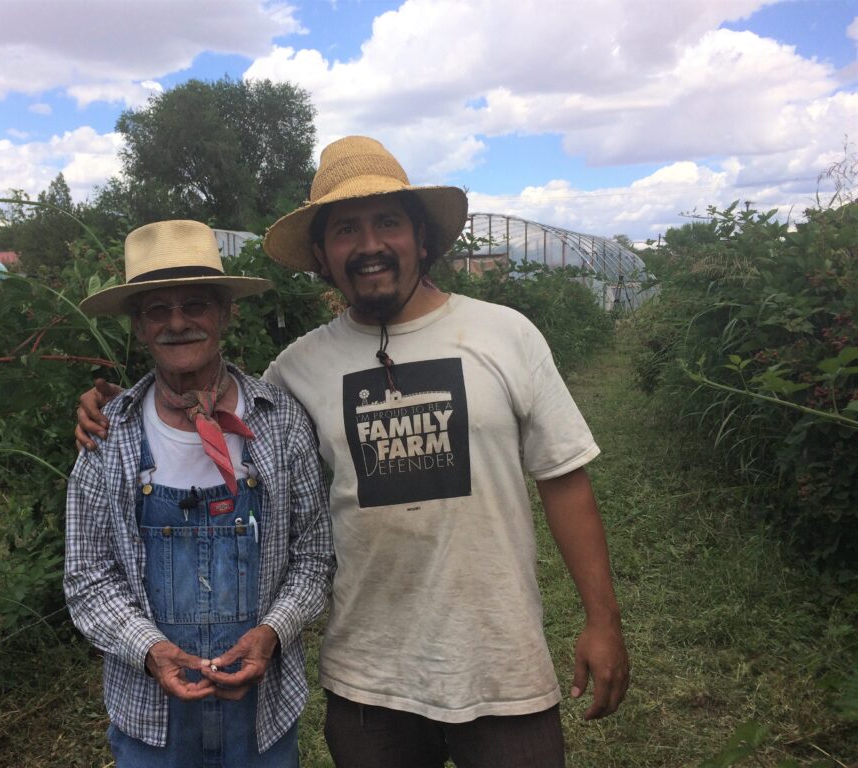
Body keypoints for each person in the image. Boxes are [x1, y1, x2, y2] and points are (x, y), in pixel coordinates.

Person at [77, 138, 629, 767]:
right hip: (369, 683)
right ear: (321, 255)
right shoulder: (296, 373)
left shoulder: (506, 336)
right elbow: (212, 407)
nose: (369, 245)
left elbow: (565, 481)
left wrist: (602, 620)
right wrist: (122, 407)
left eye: (388, 221)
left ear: (422, 238)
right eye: (345, 230)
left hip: (503, 667)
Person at [64, 219, 334, 768]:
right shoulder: (108, 436)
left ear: (225, 314)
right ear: (139, 326)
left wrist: (273, 632)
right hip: (151, 722)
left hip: (263, 718)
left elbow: (315, 556)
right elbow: (87, 577)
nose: (177, 323)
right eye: (158, 310)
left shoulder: (279, 422)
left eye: (195, 305)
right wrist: (151, 651)